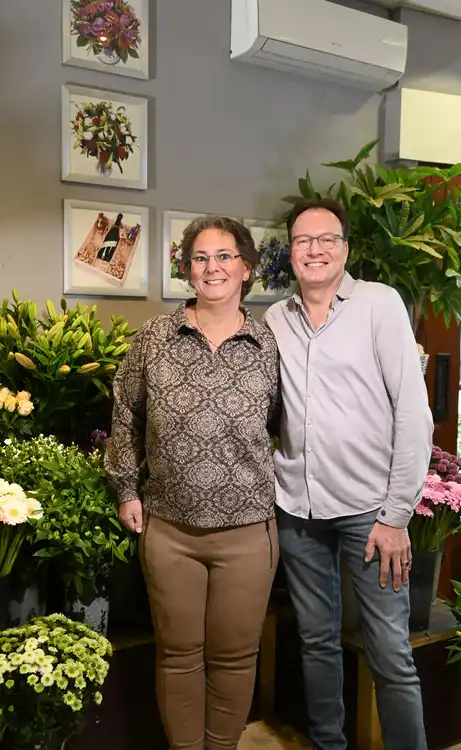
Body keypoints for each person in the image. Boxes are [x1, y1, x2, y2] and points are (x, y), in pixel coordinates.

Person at [263, 199, 433, 750]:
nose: (314, 250)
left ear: (345, 248)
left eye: (326, 239)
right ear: (291, 252)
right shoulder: (275, 319)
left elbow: (413, 413)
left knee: (390, 653)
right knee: (316, 643)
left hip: (371, 513)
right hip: (298, 509)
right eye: (302, 240)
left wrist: (397, 516)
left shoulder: (379, 304)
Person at [105, 215, 280, 750]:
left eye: (225, 256)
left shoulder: (269, 344)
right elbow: (125, 413)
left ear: (246, 268)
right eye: (200, 258)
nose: (212, 267)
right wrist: (126, 489)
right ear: (187, 269)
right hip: (170, 530)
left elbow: (290, 425)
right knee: (179, 656)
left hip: (248, 532)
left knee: (235, 658)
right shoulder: (156, 337)